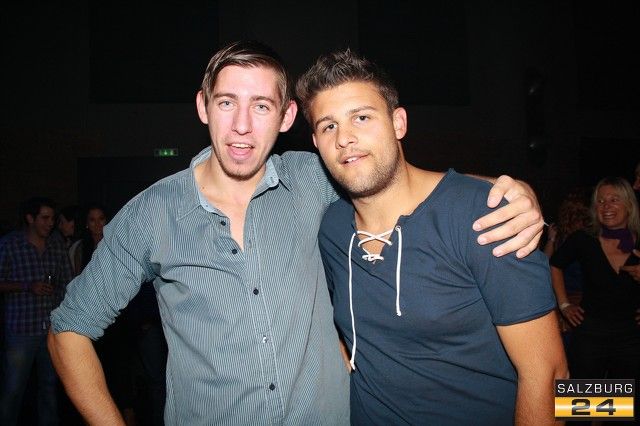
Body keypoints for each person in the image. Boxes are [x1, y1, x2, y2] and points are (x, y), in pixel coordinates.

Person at [48, 41, 545, 425]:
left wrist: (507, 190)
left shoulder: (313, 181)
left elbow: (389, 177)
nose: (242, 126)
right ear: (203, 106)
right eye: (227, 103)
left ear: (286, 117)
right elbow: (69, 329)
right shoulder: (151, 213)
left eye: (262, 106)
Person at [295, 49, 567, 425]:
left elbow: (549, 374)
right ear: (316, 142)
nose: (345, 138)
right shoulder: (332, 227)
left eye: (362, 117)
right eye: (329, 126)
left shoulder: (485, 215)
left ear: (398, 123)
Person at [550, 177, 640, 424]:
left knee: (622, 412)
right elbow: (555, 265)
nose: (606, 206)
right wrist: (564, 305)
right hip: (590, 333)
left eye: (613, 199)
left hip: (631, 335)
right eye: (600, 201)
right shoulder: (584, 239)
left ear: (629, 205)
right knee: (580, 412)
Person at [0, 197, 74, 425]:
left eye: (52, 218)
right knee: (13, 388)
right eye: (45, 218)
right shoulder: (10, 244)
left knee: (49, 388)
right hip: (21, 329)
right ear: (30, 218)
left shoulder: (56, 246)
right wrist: (26, 286)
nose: (50, 223)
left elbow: (67, 282)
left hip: (50, 328)